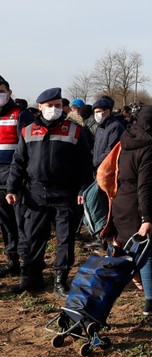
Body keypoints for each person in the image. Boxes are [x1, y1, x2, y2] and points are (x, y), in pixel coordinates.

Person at [5, 87, 92, 297]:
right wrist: (12, 188)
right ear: (40, 107)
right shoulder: (27, 131)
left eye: (57, 105)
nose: (54, 109)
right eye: (49, 106)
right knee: (33, 238)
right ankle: (32, 279)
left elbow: (85, 164)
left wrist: (83, 189)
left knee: (65, 239)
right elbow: (18, 162)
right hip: (35, 193)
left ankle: (60, 280)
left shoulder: (74, 130)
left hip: (65, 193)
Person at [113, 105, 152, 315]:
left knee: (130, 251)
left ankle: (146, 295)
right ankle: (150, 301)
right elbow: (145, 185)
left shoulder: (127, 140)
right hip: (141, 205)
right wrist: (147, 217)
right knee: (148, 252)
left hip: (122, 202)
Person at [0, 76, 34, 278]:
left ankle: (26, 265)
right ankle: (12, 261)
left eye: (1, 91)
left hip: (16, 179)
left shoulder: (21, 115)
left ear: (9, 93)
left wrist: (20, 178)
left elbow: (28, 150)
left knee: (21, 224)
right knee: (6, 225)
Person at [91, 96, 125, 169]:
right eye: (95, 112)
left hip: (107, 168)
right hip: (98, 168)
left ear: (107, 112)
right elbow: (96, 148)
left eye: (98, 112)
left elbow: (110, 151)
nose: (96, 115)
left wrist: (96, 163)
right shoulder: (100, 127)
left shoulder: (115, 127)